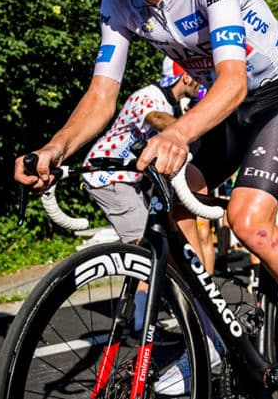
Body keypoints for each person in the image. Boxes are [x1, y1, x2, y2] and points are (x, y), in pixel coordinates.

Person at [13, 0, 278, 391]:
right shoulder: (119, 3)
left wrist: (178, 133)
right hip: (223, 108)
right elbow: (101, 95)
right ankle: (208, 340)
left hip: (275, 97)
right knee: (172, 211)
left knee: (247, 220)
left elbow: (235, 81)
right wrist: (55, 148)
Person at [81, 59, 204, 330]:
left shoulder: (171, 103)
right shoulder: (149, 96)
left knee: (156, 244)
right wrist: (193, 128)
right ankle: (141, 323)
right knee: (145, 250)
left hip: (129, 180)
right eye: (196, 76)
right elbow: (157, 120)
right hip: (109, 177)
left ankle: (144, 315)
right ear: (184, 77)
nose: (200, 82)